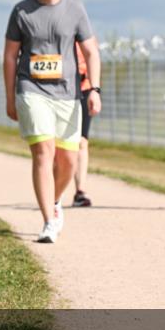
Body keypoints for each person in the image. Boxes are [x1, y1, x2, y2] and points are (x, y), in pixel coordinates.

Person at [4, 0, 102, 243]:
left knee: (68, 161)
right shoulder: (21, 11)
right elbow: (10, 56)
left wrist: (94, 90)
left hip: (68, 93)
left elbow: (91, 51)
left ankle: (55, 200)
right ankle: (48, 221)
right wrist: (10, 97)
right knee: (44, 153)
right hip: (31, 89)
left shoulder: (75, 9)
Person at [71, 42, 94, 207]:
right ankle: (53, 189)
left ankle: (80, 190)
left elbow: (93, 59)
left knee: (82, 141)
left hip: (85, 89)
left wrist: (95, 90)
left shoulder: (86, 36)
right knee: (63, 144)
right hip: (62, 91)